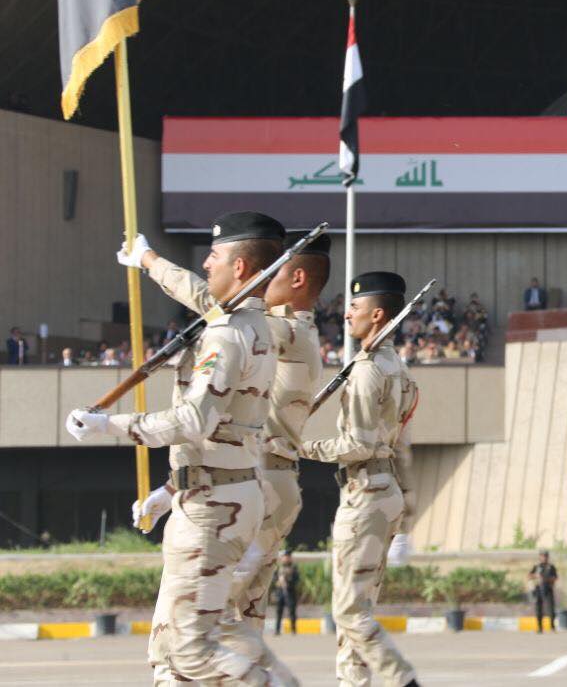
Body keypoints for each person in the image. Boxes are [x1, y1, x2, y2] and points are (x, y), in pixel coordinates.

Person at [65, 211, 284, 685]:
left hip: (213, 507)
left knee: (188, 651)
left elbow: (194, 420)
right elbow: (200, 293)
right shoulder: (245, 322)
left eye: (216, 256)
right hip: (209, 494)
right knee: (169, 653)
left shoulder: (226, 334)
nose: (207, 263)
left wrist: (108, 425)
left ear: (242, 269)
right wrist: (147, 259)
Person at [118, 229, 331, 685]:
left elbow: (211, 303)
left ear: (293, 277)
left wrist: (151, 261)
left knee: (196, 629)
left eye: (268, 273)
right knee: (226, 623)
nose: (259, 283)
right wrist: (172, 487)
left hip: (253, 487)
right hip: (253, 481)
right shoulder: (280, 332)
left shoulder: (283, 330)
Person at [300, 272, 420, 687]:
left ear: (378, 314)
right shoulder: (393, 365)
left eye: (355, 307)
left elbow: (358, 445)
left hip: (365, 489)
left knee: (349, 611)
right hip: (380, 491)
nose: (346, 312)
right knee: (357, 608)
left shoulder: (369, 371)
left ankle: (397, 678)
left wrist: (298, 446)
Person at [528, 550, 558, 632]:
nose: (544, 558)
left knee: (551, 609)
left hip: (548, 588)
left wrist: (547, 579)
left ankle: (552, 626)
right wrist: (536, 576)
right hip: (538, 589)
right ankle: (540, 627)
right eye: (543, 556)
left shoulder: (551, 567)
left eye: (546, 556)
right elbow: (529, 576)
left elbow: (555, 578)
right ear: (540, 557)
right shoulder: (537, 567)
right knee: (538, 609)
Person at [273, 550, 299, 636]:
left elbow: (296, 579)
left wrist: (288, 582)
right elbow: (274, 578)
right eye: (285, 556)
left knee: (292, 611)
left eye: (288, 557)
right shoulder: (278, 568)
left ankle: (293, 630)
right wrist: (278, 581)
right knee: (278, 611)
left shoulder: (294, 568)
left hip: (290, 592)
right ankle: (277, 630)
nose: (286, 558)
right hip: (280, 592)